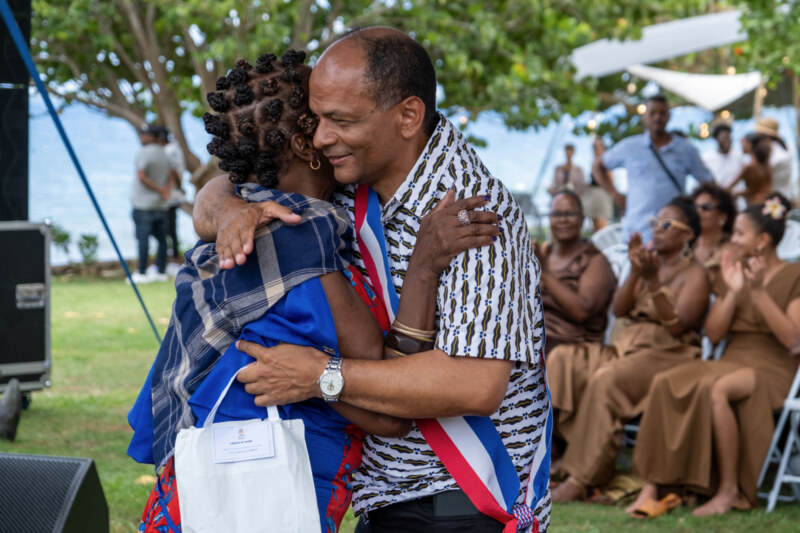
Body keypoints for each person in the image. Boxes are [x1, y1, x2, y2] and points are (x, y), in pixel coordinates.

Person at [193, 27, 551, 532]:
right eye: (315, 120)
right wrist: (228, 209)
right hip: (383, 498)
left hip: (459, 503)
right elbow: (232, 179)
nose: (320, 138)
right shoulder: (344, 181)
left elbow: (475, 384)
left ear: (407, 116)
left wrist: (319, 375)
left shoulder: (472, 213)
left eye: (340, 120)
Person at [128, 50, 499, 533]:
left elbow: (219, 187)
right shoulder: (302, 243)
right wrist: (426, 263)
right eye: (323, 117)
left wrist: (222, 205)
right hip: (266, 501)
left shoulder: (242, 221)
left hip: (189, 493)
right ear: (307, 144)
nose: (331, 131)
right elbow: (389, 415)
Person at [630, 193, 800, 517]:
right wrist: (734, 293)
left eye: (739, 234)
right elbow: (714, 334)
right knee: (666, 380)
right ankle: (654, 483)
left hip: (772, 368)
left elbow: (793, 340)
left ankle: (728, 491)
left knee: (717, 388)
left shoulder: (794, 276)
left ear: (762, 240)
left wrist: (759, 292)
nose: (732, 240)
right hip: (731, 359)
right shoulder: (733, 271)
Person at [550, 196, 710, 503]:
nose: (656, 230)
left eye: (666, 225)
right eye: (654, 224)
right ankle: (565, 454)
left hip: (667, 353)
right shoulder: (647, 263)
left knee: (607, 379)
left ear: (688, 234)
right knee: (564, 359)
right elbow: (620, 310)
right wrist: (637, 272)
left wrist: (652, 281)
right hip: (626, 345)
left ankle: (582, 479)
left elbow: (677, 326)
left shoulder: (696, 273)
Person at [591, 94, 713, 243]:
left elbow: (708, 181)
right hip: (637, 232)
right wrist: (615, 194)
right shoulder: (630, 146)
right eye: (652, 113)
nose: (657, 117)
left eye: (662, 113)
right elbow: (597, 166)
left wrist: (693, 203)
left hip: (673, 233)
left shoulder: (686, 149)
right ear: (644, 116)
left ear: (668, 116)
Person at [535, 189, 615, 354]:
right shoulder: (545, 253)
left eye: (570, 213)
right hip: (536, 339)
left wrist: (546, 274)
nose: (563, 220)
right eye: (556, 214)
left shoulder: (595, 260)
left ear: (582, 219)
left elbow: (582, 312)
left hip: (571, 346)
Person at [131, 123, 172, 283]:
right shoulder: (165, 153)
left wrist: (158, 188)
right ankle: (161, 271)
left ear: (150, 137)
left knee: (143, 238)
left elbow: (141, 176)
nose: (141, 137)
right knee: (162, 239)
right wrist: (165, 190)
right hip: (161, 204)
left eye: (143, 134)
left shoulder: (144, 153)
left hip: (143, 205)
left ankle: (142, 272)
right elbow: (172, 173)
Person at [691, 182, 737, 294]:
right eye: (695, 207)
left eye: (706, 207)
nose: (699, 211)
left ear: (723, 216)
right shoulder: (685, 246)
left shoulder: (733, 248)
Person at [155, 126, 186, 263]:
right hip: (174, 194)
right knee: (171, 227)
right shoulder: (176, 149)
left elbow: (173, 171)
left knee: (166, 228)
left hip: (170, 196)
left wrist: (168, 190)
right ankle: (172, 256)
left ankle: (170, 258)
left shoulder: (168, 151)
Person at [753, 117, 793, 199]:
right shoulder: (786, 147)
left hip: (775, 199)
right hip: (785, 195)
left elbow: (762, 175)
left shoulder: (774, 153)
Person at [728, 134, 772, 206]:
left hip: (755, 204)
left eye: (743, 143)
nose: (741, 146)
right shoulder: (766, 164)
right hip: (768, 202)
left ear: (750, 145)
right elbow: (756, 189)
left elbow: (729, 187)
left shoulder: (749, 167)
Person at [582, 137, 615, 232]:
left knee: (602, 227)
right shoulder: (594, 162)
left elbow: (611, 182)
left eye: (599, 146)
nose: (596, 149)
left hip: (602, 197)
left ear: (603, 148)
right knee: (596, 227)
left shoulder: (605, 161)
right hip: (593, 198)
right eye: (594, 147)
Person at [702, 123, 746, 190]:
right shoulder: (707, 158)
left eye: (729, 137)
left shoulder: (739, 155)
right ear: (716, 138)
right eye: (724, 138)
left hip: (737, 199)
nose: (727, 141)